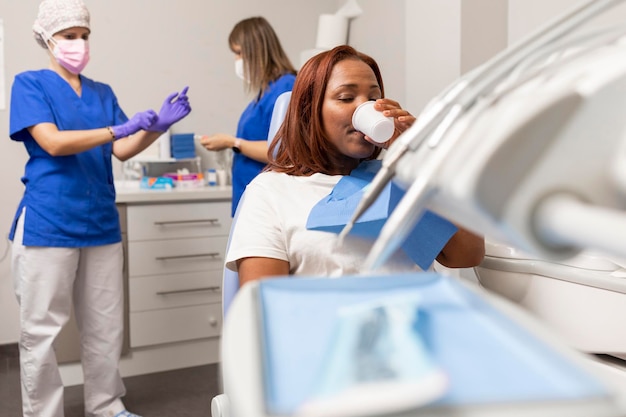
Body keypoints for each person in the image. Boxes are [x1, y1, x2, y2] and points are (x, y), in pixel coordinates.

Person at [8, 1, 191, 416]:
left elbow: (123, 149)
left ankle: (106, 405)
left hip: (100, 222)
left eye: (85, 36)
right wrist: (117, 128)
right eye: (70, 36)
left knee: (105, 326)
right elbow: (52, 142)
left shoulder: (102, 92)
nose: (79, 44)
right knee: (42, 330)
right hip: (49, 221)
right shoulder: (30, 83)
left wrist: (157, 127)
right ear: (49, 39)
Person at [225, 45, 485, 287]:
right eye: (346, 97)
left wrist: (421, 157)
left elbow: (468, 254)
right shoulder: (271, 192)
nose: (365, 108)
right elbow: (261, 307)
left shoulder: (402, 179)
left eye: (374, 98)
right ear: (309, 111)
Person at [199, 16, 297, 216]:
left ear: (256, 51)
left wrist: (231, 142)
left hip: (267, 203)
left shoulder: (286, 86)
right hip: (250, 197)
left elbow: (283, 151)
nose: (237, 60)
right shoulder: (266, 91)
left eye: (238, 53)